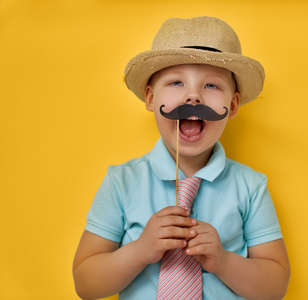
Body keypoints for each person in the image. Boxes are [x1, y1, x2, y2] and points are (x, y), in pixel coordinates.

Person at [73, 16, 290, 300]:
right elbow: (86, 285)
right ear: (150, 98)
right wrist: (140, 250)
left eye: (211, 86)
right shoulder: (121, 182)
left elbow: (275, 287)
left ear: (233, 104)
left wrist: (223, 261)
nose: (193, 97)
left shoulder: (250, 186)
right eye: (176, 82)